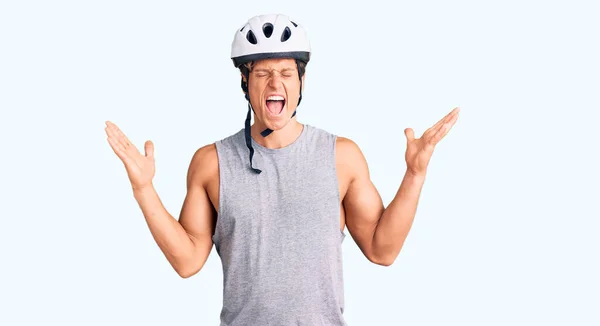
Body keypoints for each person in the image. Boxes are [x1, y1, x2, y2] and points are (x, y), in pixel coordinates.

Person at [104, 13, 459, 326]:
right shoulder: (211, 163)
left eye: (287, 73)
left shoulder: (342, 156)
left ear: (301, 82)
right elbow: (187, 262)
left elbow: (383, 250)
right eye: (263, 73)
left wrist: (414, 175)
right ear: (246, 82)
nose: (276, 84)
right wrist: (144, 190)